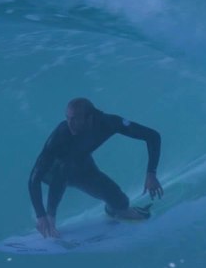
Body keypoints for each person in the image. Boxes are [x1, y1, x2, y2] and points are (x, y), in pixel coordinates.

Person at [28, 97, 163, 239]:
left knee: (121, 202)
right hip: (51, 172)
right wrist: (42, 215)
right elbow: (35, 177)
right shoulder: (61, 134)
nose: (70, 124)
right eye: (67, 118)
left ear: (90, 118)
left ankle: (114, 210)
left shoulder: (108, 123)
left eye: (75, 119)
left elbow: (153, 136)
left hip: (82, 165)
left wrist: (151, 173)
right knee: (66, 167)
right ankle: (50, 220)